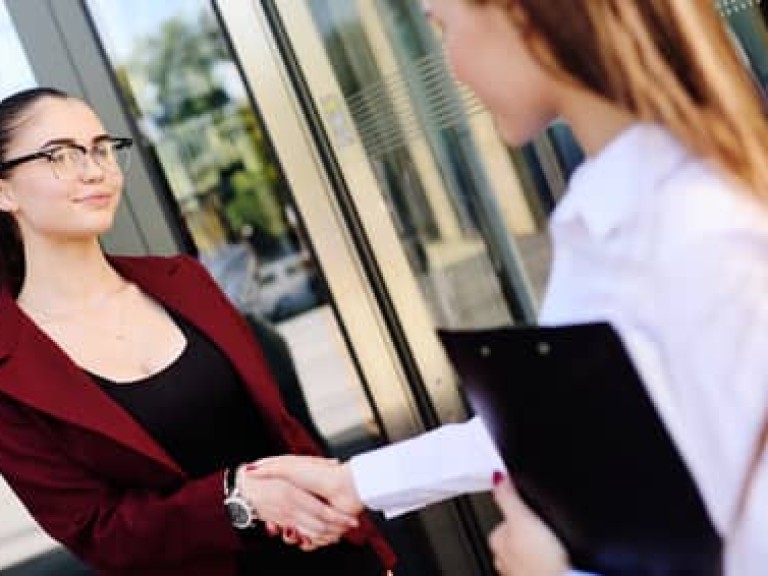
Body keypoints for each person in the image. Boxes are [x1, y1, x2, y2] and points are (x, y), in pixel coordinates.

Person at [245, 1, 768, 575]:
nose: (450, 64)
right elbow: (565, 427)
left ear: (521, 17)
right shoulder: (615, 210)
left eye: (443, 26)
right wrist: (353, 482)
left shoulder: (696, 231)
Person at [0, 86, 395, 576]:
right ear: (5, 191)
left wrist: (363, 538)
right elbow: (99, 533)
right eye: (60, 154)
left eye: (101, 148)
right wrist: (236, 496)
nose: (94, 169)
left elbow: (287, 429)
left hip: (333, 558)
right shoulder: (10, 367)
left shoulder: (184, 282)